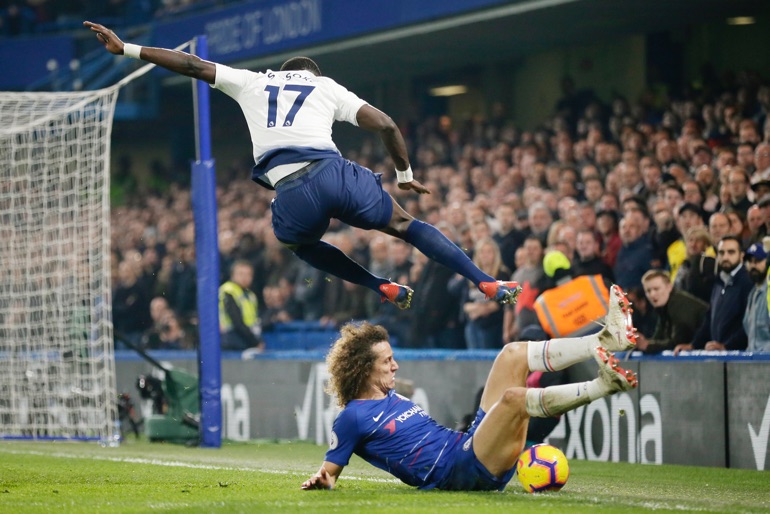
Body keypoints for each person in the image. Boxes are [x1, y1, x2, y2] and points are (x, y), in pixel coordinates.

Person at [84, 21, 521, 310]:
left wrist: (127, 49)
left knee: (300, 246)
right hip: (334, 173)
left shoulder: (254, 82)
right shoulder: (326, 86)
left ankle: (378, 285)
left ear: (283, 71)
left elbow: (191, 64)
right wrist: (405, 175)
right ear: (310, 74)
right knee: (405, 226)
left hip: (291, 192)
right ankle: (484, 281)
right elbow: (386, 125)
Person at [301, 285, 638, 491]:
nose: (395, 365)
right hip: (459, 472)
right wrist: (322, 480)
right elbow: (330, 473)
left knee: (512, 354)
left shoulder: (390, 395)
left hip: (469, 446)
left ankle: (605, 339)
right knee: (512, 400)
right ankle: (603, 385)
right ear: (363, 369)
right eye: (387, 361)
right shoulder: (352, 418)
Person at [675, 236, 753, 354]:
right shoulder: (718, 283)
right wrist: (693, 345)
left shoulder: (748, 283)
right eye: (721, 253)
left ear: (741, 255)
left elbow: (749, 324)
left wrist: (727, 346)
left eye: (731, 252)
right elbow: (709, 320)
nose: (725, 257)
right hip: (721, 356)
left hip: (740, 357)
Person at [638, 270, 708, 354]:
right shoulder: (663, 307)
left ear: (669, 287)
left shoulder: (679, 304)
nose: (652, 294)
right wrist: (642, 343)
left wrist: (648, 346)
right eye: (648, 291)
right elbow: (658, 339)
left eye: (656, 289)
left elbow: (678, 342)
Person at [219, 260, 264, 353]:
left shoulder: (250, 295)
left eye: (248, 274)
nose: (245, 277)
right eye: (241, 274)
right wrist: (255, 341)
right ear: (232, 275)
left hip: (245, 338)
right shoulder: (229, 291)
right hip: (231, 339)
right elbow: (236, 321)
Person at [742, 242, 770, 352]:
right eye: (750, 262)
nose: (753, 266)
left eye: (758, 261)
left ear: (767, 262)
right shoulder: (752, 294)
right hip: (753, 363)